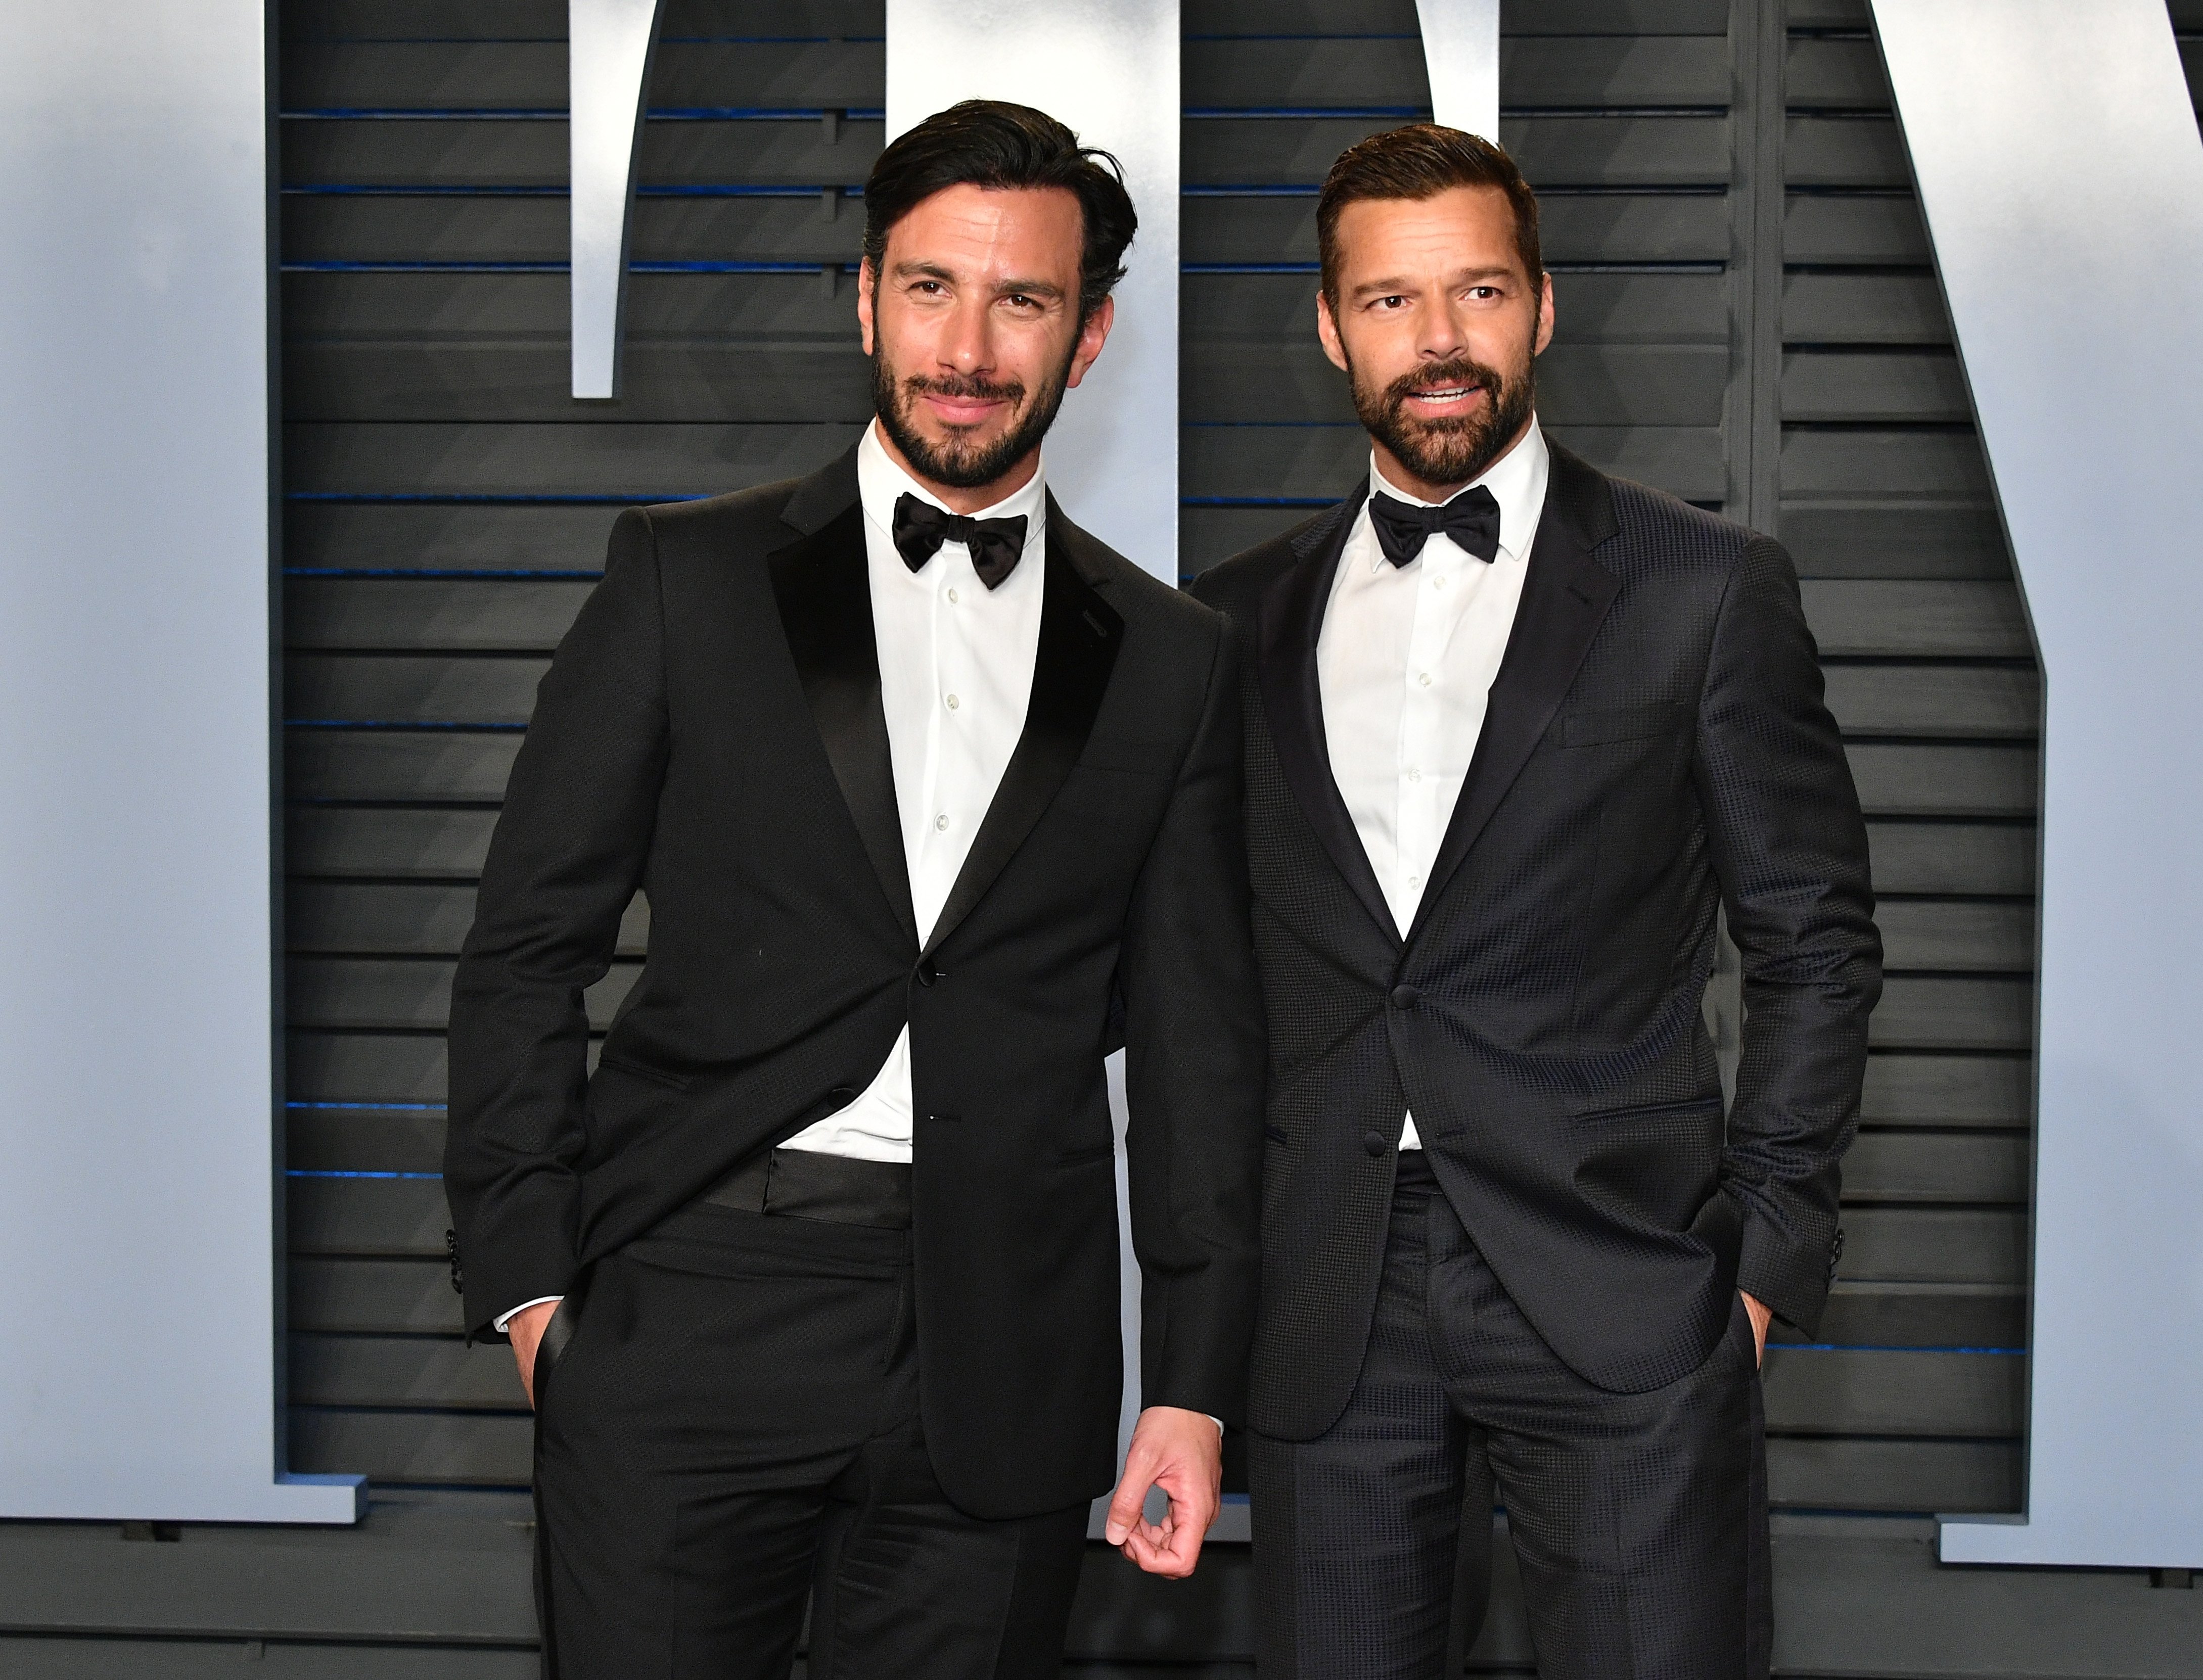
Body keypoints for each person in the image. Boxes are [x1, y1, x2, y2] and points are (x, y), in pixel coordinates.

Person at [445, 99, 1263, 1680]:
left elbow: (1196, 1052)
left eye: (1020, 299)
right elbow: (524, 946)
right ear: (868, 298)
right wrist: (533, 1287)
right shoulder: (686, 580)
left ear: (1088, 336)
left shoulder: (1174, 659)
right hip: (690, 1305)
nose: (968, 343)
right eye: (932, 287)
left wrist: (1190, 1383)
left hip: (1006, 1348)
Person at [1191, 123, 1883, 1680]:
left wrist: (1759, 1257)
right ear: (1327, 326)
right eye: (1387, 301)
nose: (1437, 340)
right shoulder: (1233, 622)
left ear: (1542, 307)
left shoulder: (1703, 587)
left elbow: (1814, 940)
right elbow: (1203, 983)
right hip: (1332, 1295)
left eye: (1477, 290)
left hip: (1625, 1276)